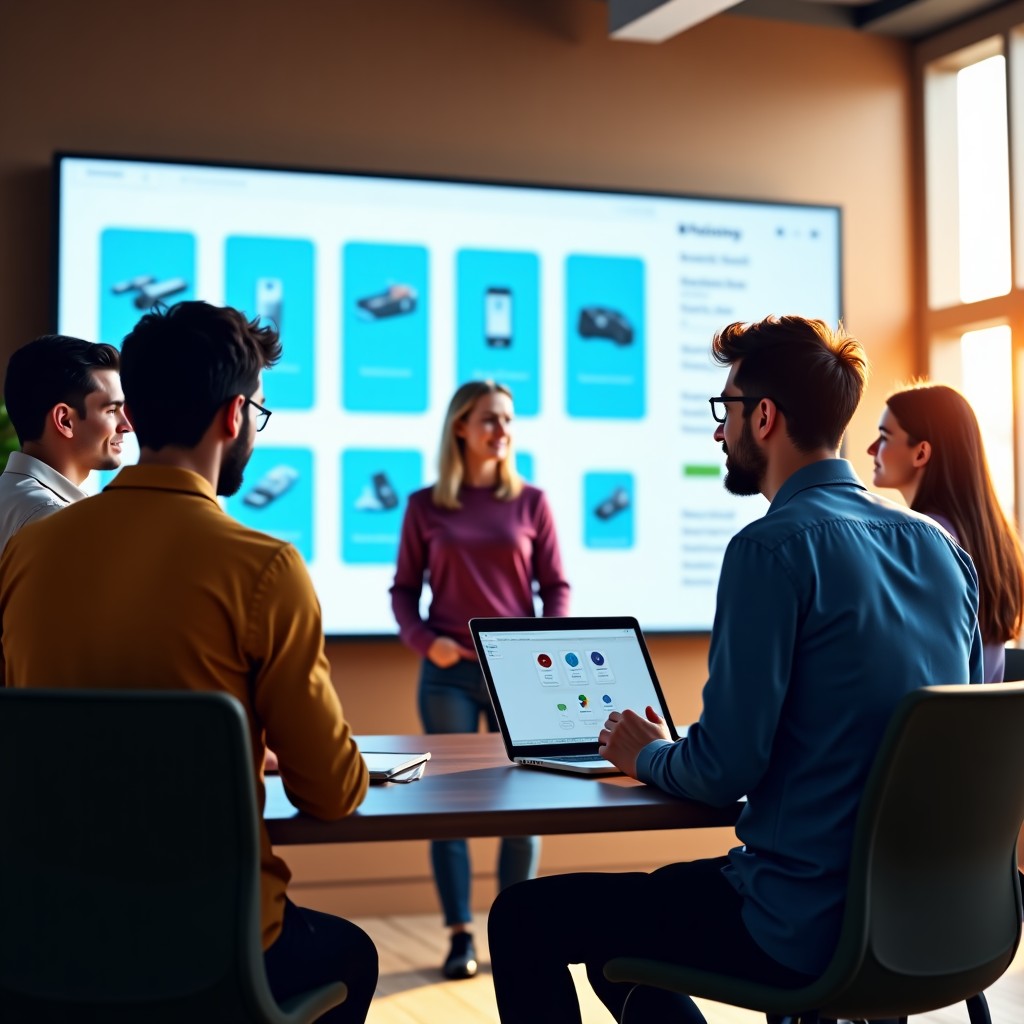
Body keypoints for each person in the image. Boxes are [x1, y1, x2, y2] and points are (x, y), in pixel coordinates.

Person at [487, 315, 982, 1024]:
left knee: (525, 917)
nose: (719, 432)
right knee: (625, 931)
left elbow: (725, 770)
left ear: (765, 418)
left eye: (726, 411)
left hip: (801, 926)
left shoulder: (771, 549)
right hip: (939, 919)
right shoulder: (939, 549)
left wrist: (646, 752)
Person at [0, 301, 377, 1022]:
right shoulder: (264, 567)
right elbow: (333, 794)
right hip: (210, 947)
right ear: (234, 417)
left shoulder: (30, 551)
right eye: (259, 415)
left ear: (136, 413)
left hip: (43, 936)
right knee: (348, 955)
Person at [390, 380, 570, 979]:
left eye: (508, 421)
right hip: (446, 676)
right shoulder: (424, 505)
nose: (502, 431)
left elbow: (557, 588)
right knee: (450, 811)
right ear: (460, 427)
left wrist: (546, 647)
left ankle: (514, 927)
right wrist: (425, 642)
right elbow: (402, 594)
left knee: (523, 807)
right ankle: (460, 934)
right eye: (490, 420)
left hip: (518, 676)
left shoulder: (532, 502)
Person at [868, 382, 1024, 683]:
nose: (871, 448)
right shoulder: (996, 539)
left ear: (921, 453)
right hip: (981, 726)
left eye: (884, 437)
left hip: (929, 727)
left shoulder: (921, 542)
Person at [0, 334, 131, 552]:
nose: (126, 425)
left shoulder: (12, 498)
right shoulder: (52, 517)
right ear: (64, 420)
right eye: (111, 410)